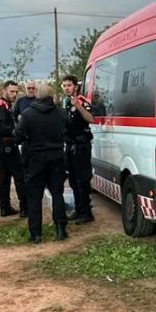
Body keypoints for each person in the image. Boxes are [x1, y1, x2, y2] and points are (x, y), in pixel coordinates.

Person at [16, 82, 70, 243]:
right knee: (57, 193)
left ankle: (36, 234)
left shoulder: (27, 114)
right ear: (52, 96)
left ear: (38, 95)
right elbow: (68, 129)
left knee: (34, 197)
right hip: (57, 158)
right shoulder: (60, 113)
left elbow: (18, 136)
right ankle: (60, 229)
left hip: (35, 159)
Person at [0, 80, 28, 218]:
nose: (14, 94)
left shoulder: (7, 106)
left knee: (5, 178)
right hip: (6, 146)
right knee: (20, 176)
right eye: (12, 91)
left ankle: (5, 207)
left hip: (5, 146)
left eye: (16, 92)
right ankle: (25, 207)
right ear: (4, 91)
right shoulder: (1, 106)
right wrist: (14, 130)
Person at [61, 75, 95, 224]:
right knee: (73, 180)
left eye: (69, 85)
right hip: (70, 145)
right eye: (64, 85)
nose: (67, 88)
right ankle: (78, 208)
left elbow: (90, 119)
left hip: (81, 146)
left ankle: (87, 212)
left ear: (75, 86)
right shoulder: (67, 103)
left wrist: (79, 106)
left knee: (82, 179)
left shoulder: (82, 101)